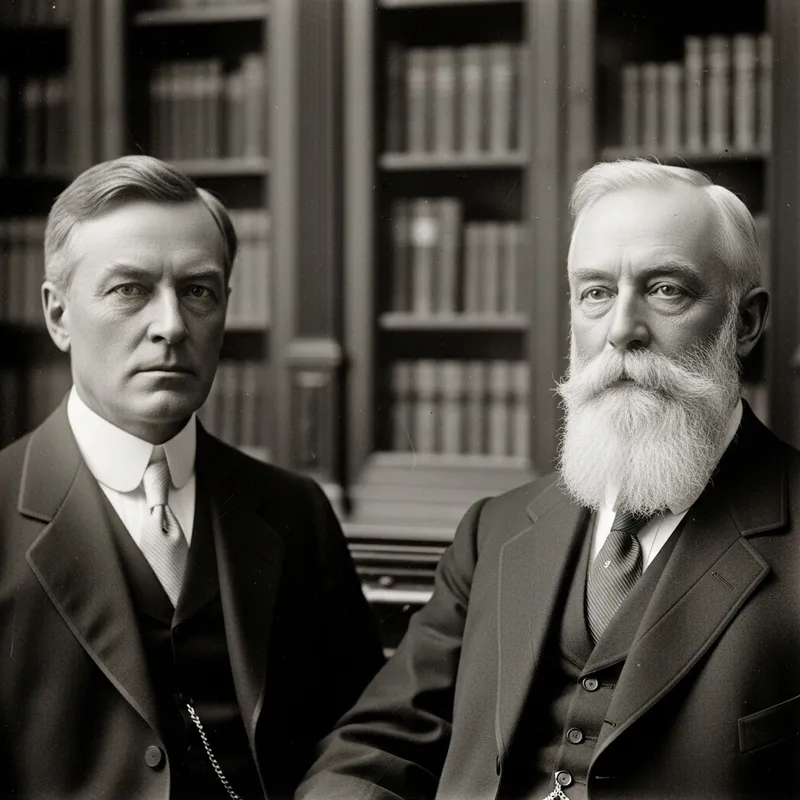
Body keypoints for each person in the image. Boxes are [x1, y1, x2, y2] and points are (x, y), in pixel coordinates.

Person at [298, 160, 800, 799]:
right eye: (595, 292)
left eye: (666, 289)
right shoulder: (495, 529)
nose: (621, 330)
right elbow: (377, 745)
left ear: (745, 322)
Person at [0, 155, 383, 800]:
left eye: (198, 292)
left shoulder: (294, 511)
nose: (172, 326)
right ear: (58, 315)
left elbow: (364, 734)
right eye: (130, 290)